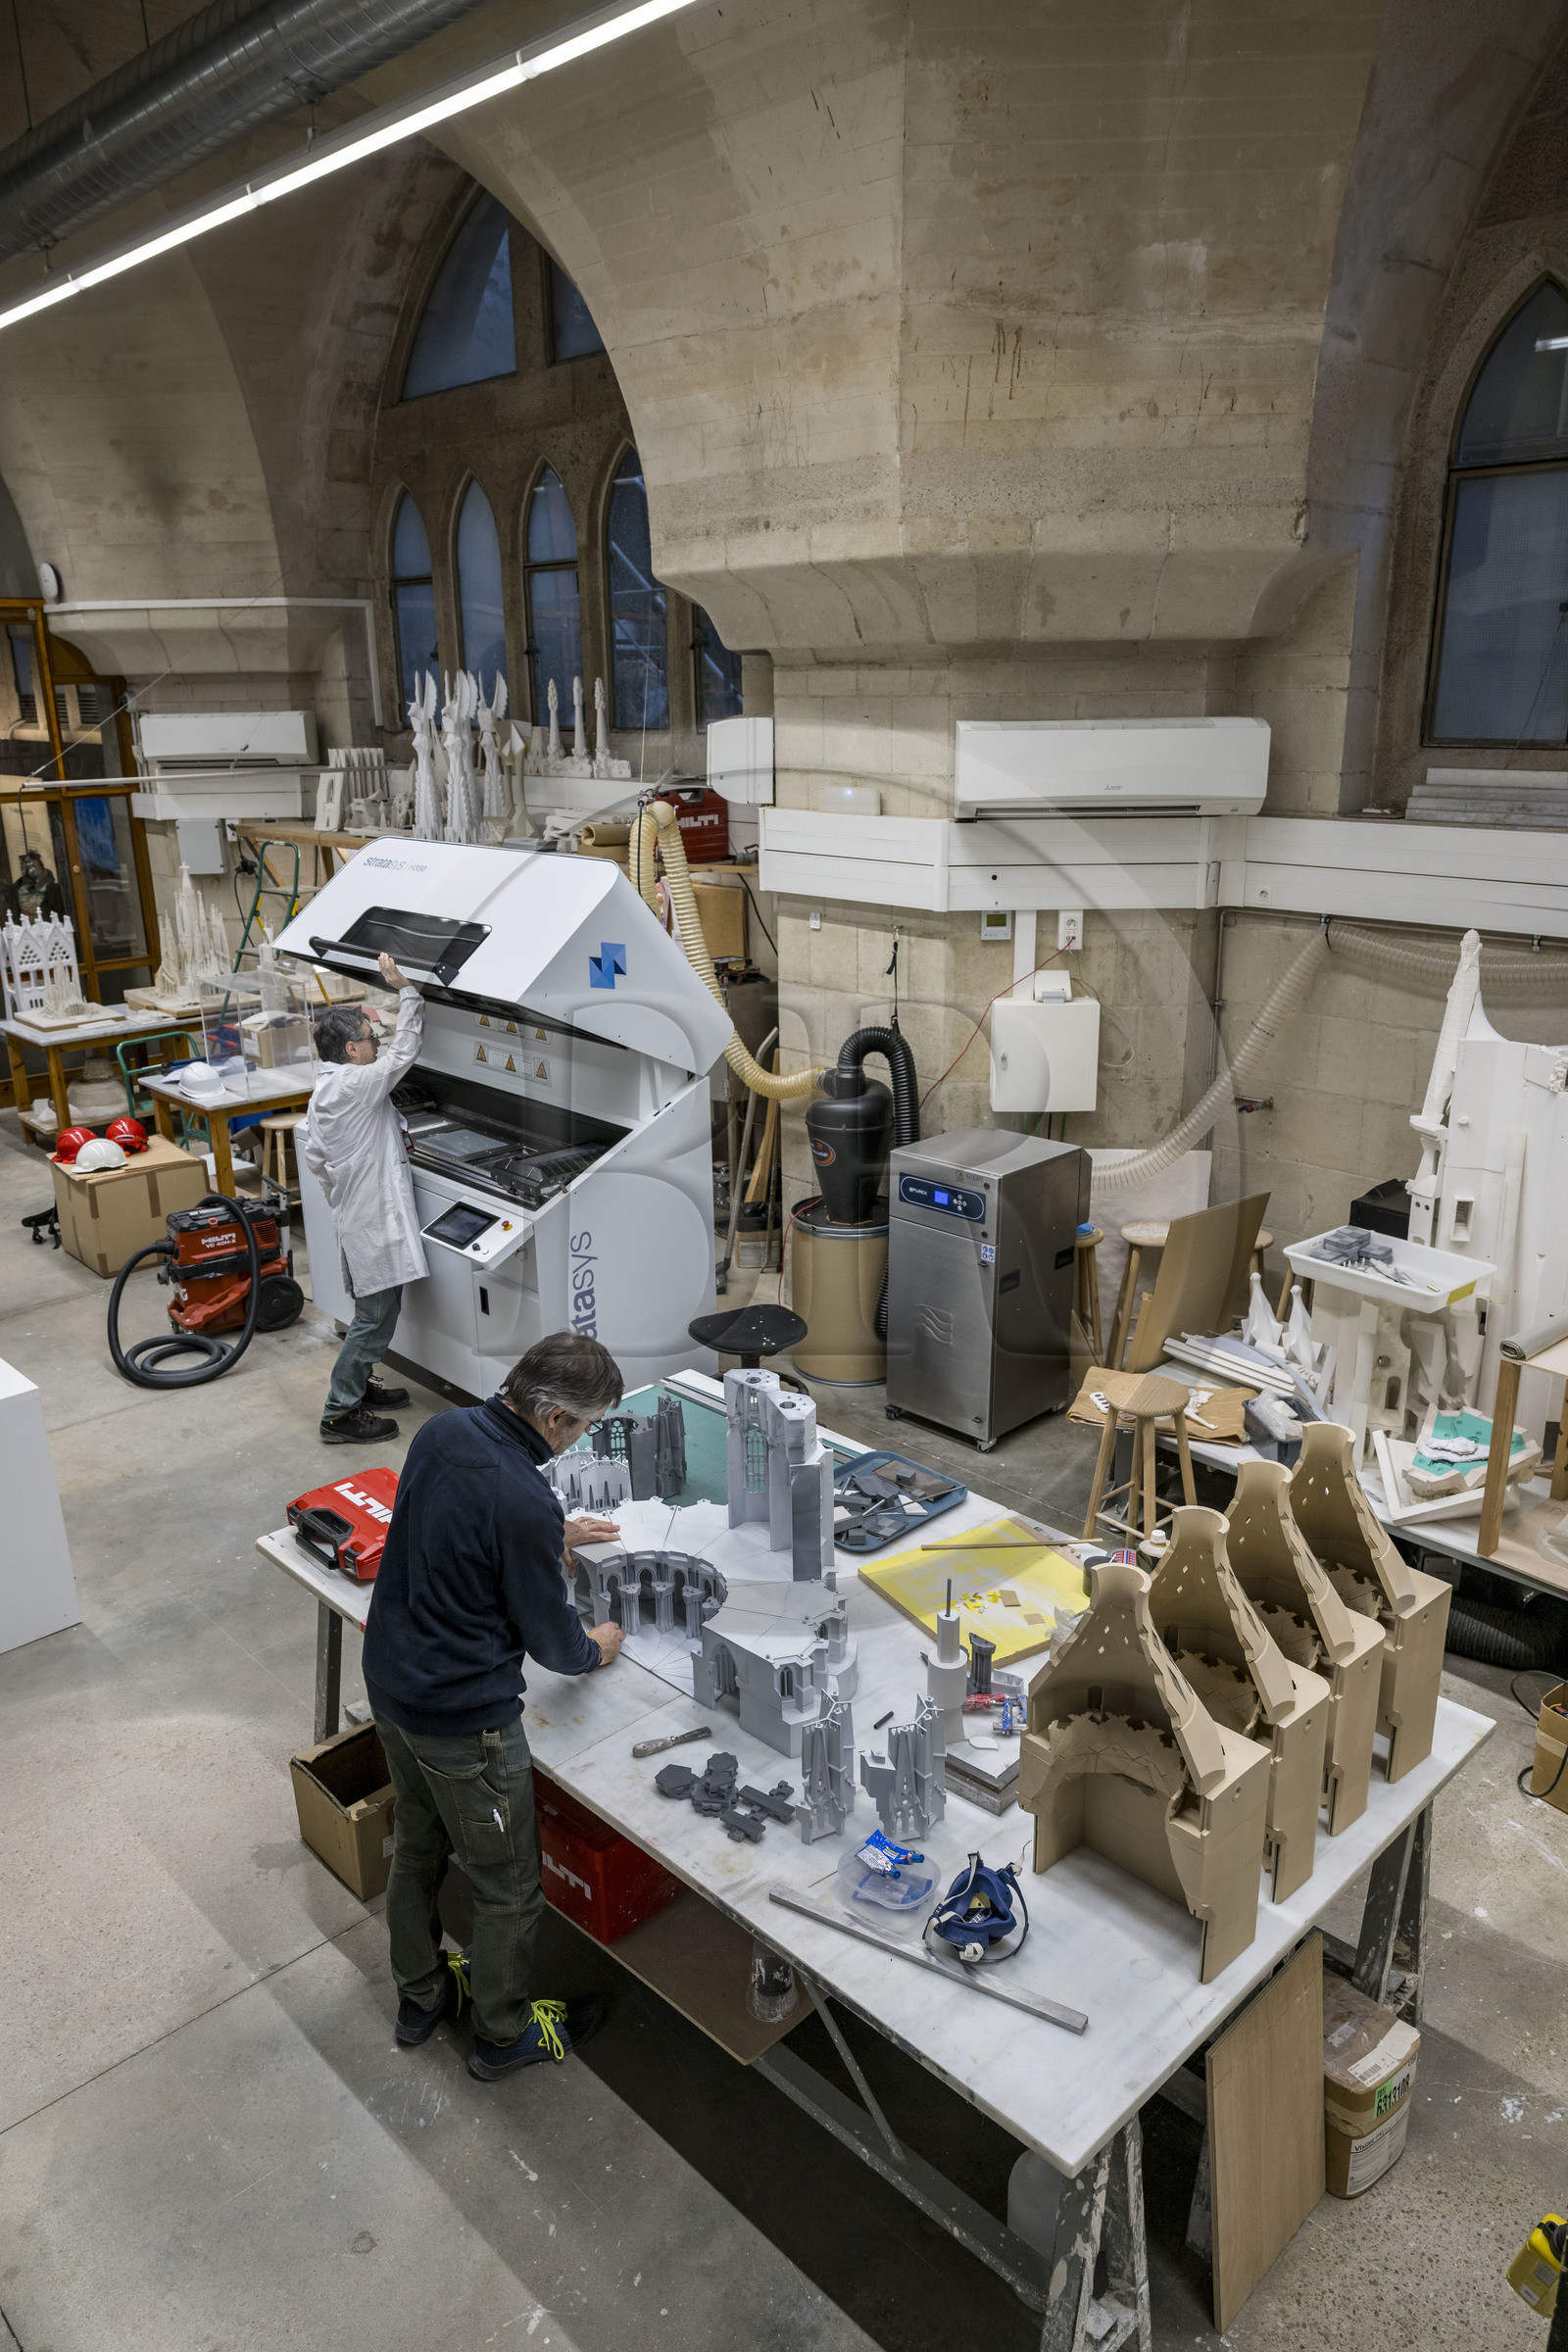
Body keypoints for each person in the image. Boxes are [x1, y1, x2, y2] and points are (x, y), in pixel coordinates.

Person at [363, 1330, 626, 2081]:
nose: (581, 1439)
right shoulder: (521, 1497)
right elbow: (555, 1644)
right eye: (583, 1425)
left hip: (391, 1681)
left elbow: (456, 1524)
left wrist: (546, 1532)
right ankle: (504, 2033)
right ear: (552, 1418)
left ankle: (421, 1996)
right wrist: (596, 1646)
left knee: (418, 1846)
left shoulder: (444, 1431)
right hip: (462, 1720)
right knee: (508, 1887)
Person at [302, 951, 427, 1444]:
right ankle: (340, 1412)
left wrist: (345, 1189)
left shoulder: (327, 1088)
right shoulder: (356, 1083)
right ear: (352, 1050)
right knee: (372, 1317)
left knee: (380, 1312)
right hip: (371, 1219)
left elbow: (316, 1159)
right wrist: (407, 991)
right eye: (371, 1038)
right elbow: (405, 1052)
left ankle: (361, 1385)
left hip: (357, 1212)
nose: (377, 1044)